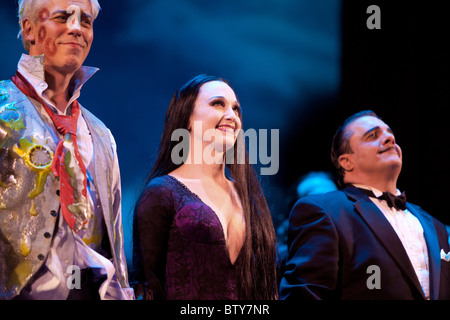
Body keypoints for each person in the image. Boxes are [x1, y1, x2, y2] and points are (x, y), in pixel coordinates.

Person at [0, 0, 133, 300]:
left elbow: (114, 236)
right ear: (29, 29)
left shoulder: (101, 134)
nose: (76, 28)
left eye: (85, 21)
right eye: (62, 17)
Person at [132, 74, 278, 300]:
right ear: (187, 118)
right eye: (218, 104)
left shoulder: (249, 197)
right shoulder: (161, 193)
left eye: (236, 109)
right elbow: (145, 288)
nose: (232, 116)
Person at [279, 110, 450, 300]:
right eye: (372, 135)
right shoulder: (324, 211)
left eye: (389, 133)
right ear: (346, 162)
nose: (389, 138)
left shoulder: (437, 227)